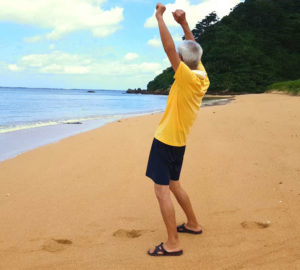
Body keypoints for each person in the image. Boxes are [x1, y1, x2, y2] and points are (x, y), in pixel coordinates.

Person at [146, 3, 210, 256]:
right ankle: (193, 224)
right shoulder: (201, 75)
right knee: (174, 184)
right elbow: (192, 50)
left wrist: (160, 17)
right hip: (179, 142)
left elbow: (170, 49)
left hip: (166, 140)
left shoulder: (184, 76)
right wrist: (184, 24)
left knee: (162, 191)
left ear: (182, 62)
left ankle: (172, 243)